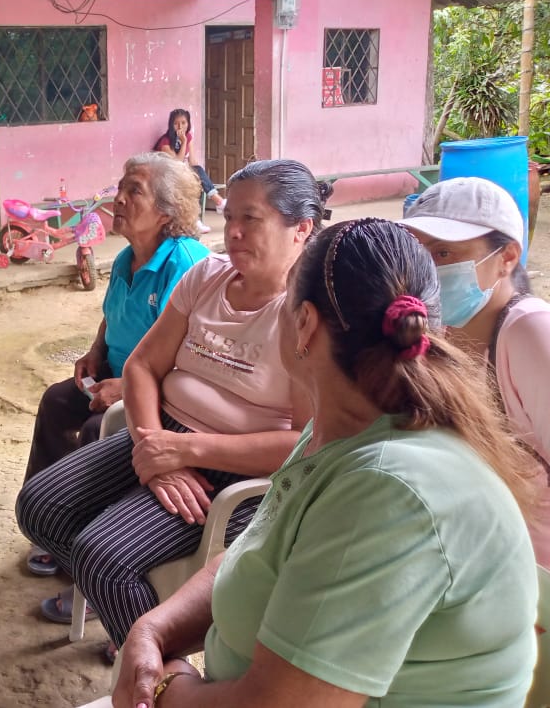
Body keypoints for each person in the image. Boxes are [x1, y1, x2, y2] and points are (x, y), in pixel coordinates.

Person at [114, 218, 540, 708]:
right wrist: (153, 628)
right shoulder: (337, 431)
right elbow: (254, 553)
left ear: (304, 324)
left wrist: (167, 688)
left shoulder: (389, 491)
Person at [16, 159, 329, 657]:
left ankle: (159, 670)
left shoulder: (305, 315)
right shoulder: (207, 275)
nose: (233, 231)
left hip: (234, 469)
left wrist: (184, 451)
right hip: (160, 435)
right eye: (229, 216)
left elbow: (304, 443)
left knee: (103, 557)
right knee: (39, 508)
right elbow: (142, 366)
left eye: (251, 219)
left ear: (302, 229)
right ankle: (133, 618)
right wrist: (154, 450)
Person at [22, 152, 210, 577]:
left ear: (165, 212)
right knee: (56, 402)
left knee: (97, 430)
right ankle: (48, 529)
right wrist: (95, 351)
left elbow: (190, 354)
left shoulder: (183, 262)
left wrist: (125, 388)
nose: (118, 199)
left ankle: (85, 552)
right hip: (118, 374)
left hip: (161, 388)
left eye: (134, 191)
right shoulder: (128, 257)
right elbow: (112, 313)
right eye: (120, 188)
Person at [401, 177, 550, 567]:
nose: (426, 268)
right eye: (417, 251)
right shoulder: (437, 334)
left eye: (443, 252)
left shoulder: (530, 332)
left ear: (507, 257)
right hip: (476, 559)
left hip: (534, 571)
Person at [154, 109, 223, 232]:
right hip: (165, 175)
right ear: (171, 125)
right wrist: (184, 142)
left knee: (197, 172)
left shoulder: (188, 136)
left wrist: (195, 177)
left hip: (180, 173)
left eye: (183, 123)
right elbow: (177, 163)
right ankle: (198, 218)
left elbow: (192, 162)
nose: (180, 126)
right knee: (186, 185)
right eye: (176, 123)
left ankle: (215, 203)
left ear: (188, 123)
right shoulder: (165, 141)